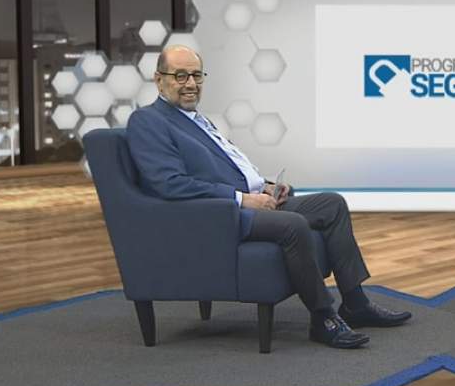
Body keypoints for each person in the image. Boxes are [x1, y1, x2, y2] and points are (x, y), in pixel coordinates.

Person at [126, 45, 411, 349]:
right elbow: (169, 184)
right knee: (293, 225)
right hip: (216, 215)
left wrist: (264, 187)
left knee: (332, 205)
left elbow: (224, 168)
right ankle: (323, 317)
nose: (191, 84)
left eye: (196, 75)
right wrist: (241, 199)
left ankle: (355, 303)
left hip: (246, 202)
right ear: (159, 79)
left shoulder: (197, 120)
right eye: (181, 76)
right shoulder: (148, 121)